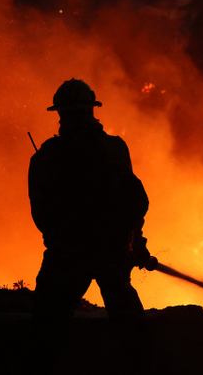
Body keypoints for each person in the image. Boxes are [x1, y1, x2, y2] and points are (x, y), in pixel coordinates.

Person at [28, 78, 156, 368]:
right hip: (107, 252)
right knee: (129, 322)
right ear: (92, 110)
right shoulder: (113, 148)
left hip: (68, 256)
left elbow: (42, 214)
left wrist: (65, 243)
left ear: (58, 113)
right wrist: (132, 243)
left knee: (47, 325)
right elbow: (134, 203)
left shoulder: (47, 156)